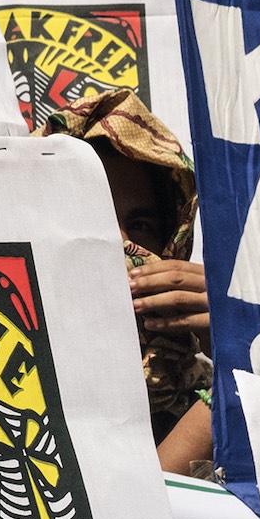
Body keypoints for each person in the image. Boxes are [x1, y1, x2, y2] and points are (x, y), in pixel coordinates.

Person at [46, 87, 215, 476]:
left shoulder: (200, 384)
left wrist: (243, 362)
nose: (122, 245)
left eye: (140, 226)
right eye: (93, 217)